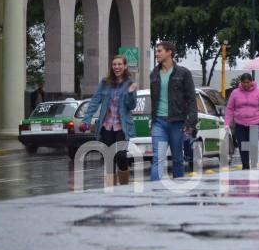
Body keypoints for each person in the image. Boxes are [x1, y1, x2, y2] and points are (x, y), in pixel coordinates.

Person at [79, 55, 138, 186]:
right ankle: (111, 189)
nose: (116, 67)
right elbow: (95, 101)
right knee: (109, 157)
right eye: (114, 65)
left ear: (125, 66)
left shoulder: (130, 84)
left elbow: (131, 106)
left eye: (119, 64)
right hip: (106, 126)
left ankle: (124, 186)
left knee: (121, 156)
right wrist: (86, 120)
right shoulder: (105, 83)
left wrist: (130, 92)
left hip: (122, 126)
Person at [149, 41, 198, 181]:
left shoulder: (183, 73)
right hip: (159, 122)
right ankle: (152, 193)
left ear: (169, 52)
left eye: (159, 51)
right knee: (158, 158)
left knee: (177, 158)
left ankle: (178, 191)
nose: (157, 54)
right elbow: (154, 98)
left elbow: (191, 99)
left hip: (178, 122)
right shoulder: (154, 74)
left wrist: (191, 122)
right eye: (156, 51)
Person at [225, 73, 259, 169]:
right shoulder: (235, 93)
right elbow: (229, 108)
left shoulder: (258, 92)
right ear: (241, 82)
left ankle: (253, 164)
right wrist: (227, 123)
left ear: (251, 82)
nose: (246, 84)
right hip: (240, 124)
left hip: (255, 123)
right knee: (243, 145)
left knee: (253, 145)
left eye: (248, 82)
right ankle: (245, 165)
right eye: (244, 82)